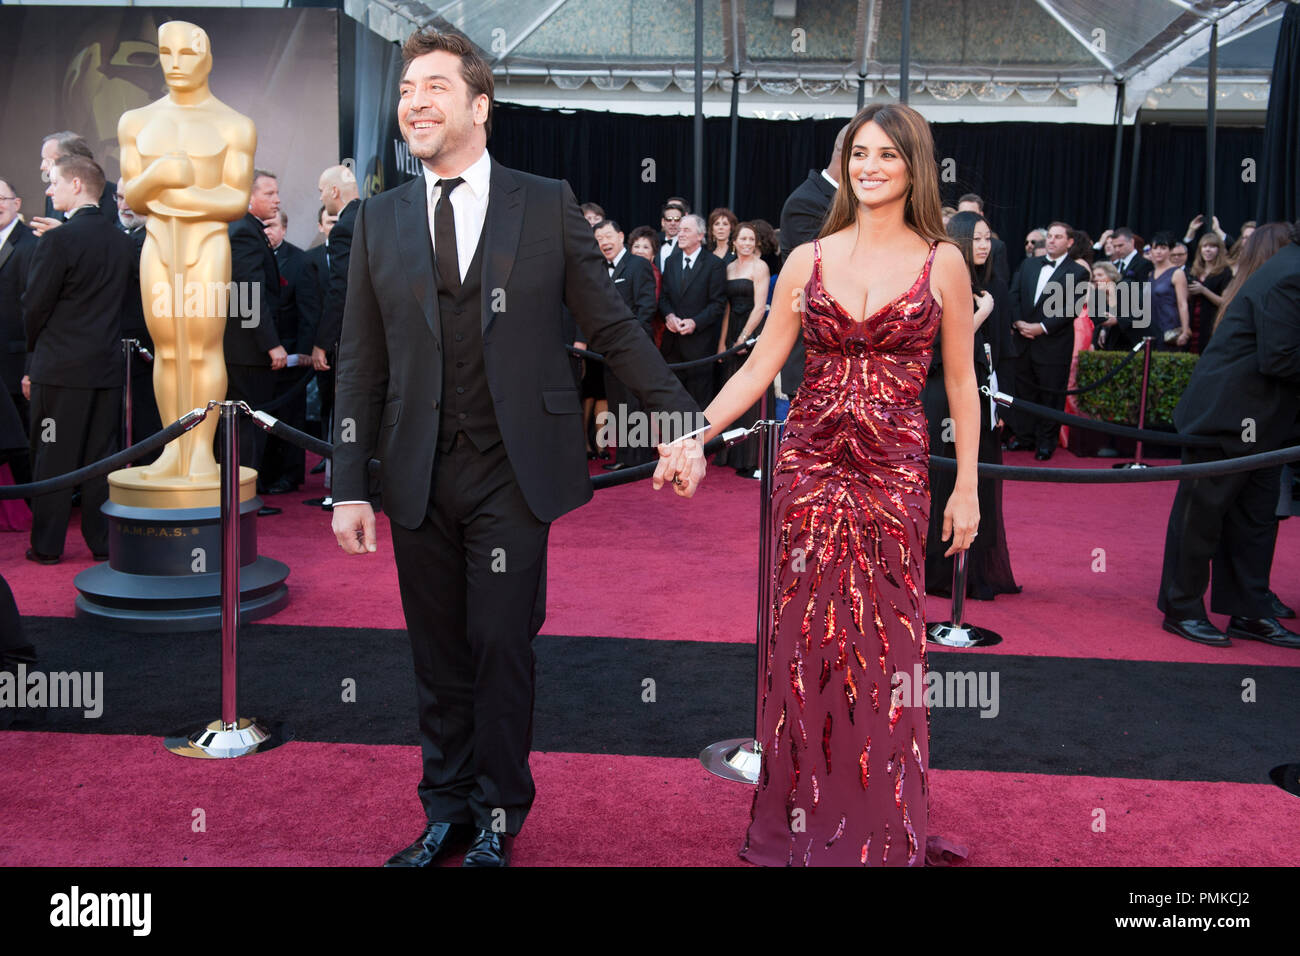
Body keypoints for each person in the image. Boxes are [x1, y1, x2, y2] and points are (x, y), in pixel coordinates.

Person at [330, 27, 707, 869]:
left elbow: (610, 324)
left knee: (500, 644)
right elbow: (361, 358)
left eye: (433, 87)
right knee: (435, 652)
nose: (414, 103)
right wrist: (347, 483)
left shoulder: (544, 201)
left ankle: (499, 813)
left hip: (512, 471)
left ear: (480, 106)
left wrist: (679, 419)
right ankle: (446, 811)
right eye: (406, 91)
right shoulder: (378, 218)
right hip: (416, 468)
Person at [693, 102, 979, 866]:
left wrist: (968, 487)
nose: (870, 166)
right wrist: (697, 434)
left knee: (885, 651)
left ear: (915, 165)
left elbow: (960, 385)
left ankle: (880, 827)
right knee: (804, 648)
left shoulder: (942, 260)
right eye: (859, 153)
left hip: (893, 476)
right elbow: (760, 367)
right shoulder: (808, 257)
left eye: (887, 153)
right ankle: (803, 821)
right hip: (809, 473)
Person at [1156, 221, 1300, 650]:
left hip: (1263, 423)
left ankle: (1250, 612)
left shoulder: (1287, 268)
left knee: (1255, 522)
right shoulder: (1291, 273)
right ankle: (1182, 608)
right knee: (1201, 517)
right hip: (1227, 417)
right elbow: (1282, 358)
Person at [22, 155, 132, 562]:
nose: (49, 191)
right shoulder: (123, 241)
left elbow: (34, 306)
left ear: (75, 185)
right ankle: (101, 543)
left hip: (60, 370)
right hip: (105, 367)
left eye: (53, 183)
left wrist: (35, 356)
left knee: (53, 455)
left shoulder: (57, 240)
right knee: (101, 459)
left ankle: (47, 546)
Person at [924, 211, 1020, 601]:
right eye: (977, 238)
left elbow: (1002, 354)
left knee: (979, 480)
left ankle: (974, 570)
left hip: (981, 394)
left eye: (988, 238)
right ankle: (939, 572)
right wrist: (978, 316)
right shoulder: (941, 281)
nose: (984, 245)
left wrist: (1001, 409)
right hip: (944, 396)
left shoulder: (992, 286)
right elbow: (934, 349)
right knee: (945, 479)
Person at [222, 168, 286, 514]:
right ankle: (243, 496)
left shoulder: (245, 230)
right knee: (248, 426)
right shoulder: (243, 233)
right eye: (269, 193)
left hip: (242, 348)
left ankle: (244, 493)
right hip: (245, 351)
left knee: (247, 425)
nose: (276, 200)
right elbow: (247, 294)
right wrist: (270, 344)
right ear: (248, 197)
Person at [1005, 221, 1090, 459]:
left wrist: (1040, 328)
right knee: (1023, 391)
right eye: (1050, 236)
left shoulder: (1078, 271)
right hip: (1023, 340)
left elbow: (1069, 308)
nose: (1052, 240)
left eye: (1058, 237)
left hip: (1053, 345)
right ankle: (1025, 437)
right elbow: (1014, 295)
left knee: (1050, 395)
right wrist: (1019, 322)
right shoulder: (1029, 264)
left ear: (1070, 242)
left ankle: (1046, 443)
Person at [778, 125, 848, 401]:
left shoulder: (852, 202)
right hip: (816, 364)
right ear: (848, 156)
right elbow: (820, 277)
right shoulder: (805, 203)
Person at [593, 218, 659, 470]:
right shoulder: (598, 267)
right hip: (609, 350)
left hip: (635, 348)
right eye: (599, 239)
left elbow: (646, 307)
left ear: (621, 237)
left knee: (634, 403)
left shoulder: (638, 264)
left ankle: (638, 460)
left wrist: (632, 341)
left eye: (608, 236)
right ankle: (623, 457)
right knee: (618, 402)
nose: (604, 242)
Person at [712, 222, 770, 475]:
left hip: (752, 333)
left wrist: (743, 338)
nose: (747, 243)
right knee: (730, 391)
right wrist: (722, 343)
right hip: (732, 332)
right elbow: (725, 308)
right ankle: (728, 454)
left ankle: (748, 459)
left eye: (751, 239)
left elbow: (759, 307)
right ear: (734, 242)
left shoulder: (760, 266)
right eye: (742, 239)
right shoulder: (729, 267)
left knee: (750, 395)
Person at [659, 213, 727, 409]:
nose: (680, 234)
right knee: (673, 402)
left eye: (686, 230)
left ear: (700, 235)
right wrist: (669, 316)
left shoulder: (714, 265)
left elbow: (717, 304)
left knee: (699, 402)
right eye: (679, 230)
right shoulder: (671, 261)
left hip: (700, 346)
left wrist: (695, 322)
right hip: (672, 346)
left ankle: (699, 440)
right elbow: (663, 297)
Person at [0, 177, 36, 486]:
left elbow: (36, 309)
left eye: (2, 198)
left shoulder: (31, 244)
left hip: (16, 362)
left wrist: (30, 367)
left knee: (24, 442)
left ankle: (33, 501)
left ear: (16, 203)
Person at [1186, 232, 1231, 353]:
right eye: (1204, 246)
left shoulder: (1225, 272)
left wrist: (1203, 290)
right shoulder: (1194, 271)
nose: (1208, 250)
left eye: (1212, 247)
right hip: (1192, 324)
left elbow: (1224, 302)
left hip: (1210, 325)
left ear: (1219, 250)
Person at [1148, 232, 1190, 350]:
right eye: (1155, 248)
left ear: (1170, 251)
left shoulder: (1177, 273)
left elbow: (1183, 304)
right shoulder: (1150, 274)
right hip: (1151, 325)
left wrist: (1185, 330)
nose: (1158, 251)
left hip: (1169, 326)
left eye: (1163, 248)